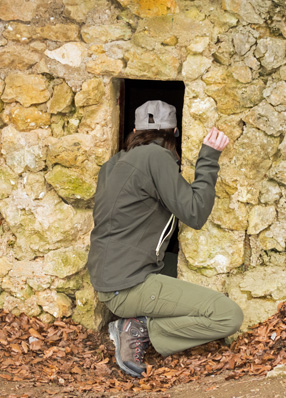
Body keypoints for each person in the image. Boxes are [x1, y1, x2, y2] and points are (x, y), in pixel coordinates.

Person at [87, 100, 244, 378]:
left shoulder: (112, 165)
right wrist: (208, 157)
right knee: (227, 315)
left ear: (134, 130)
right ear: (175, 131)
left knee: (178, 266)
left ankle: (134, 320)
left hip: (109, 279)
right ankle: (138, 327)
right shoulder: (155, 157)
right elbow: (194, 213)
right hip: (127, 288)